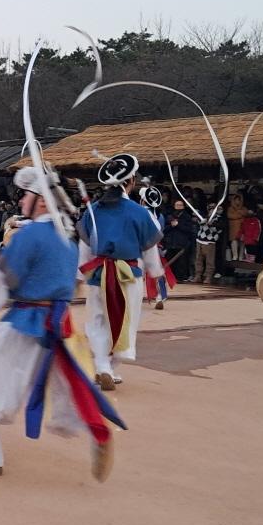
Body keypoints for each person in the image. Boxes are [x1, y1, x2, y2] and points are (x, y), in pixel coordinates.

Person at [0, 166, 123, 481]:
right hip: (57, 322)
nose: (20, 202)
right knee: (65, 384)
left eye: (26, 196)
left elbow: (0, 281)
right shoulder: (68, 238)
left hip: (25, 320)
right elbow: (75, 281)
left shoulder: (29, 235)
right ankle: (97, 430)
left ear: (42, 201)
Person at [77, 154, 164, 391]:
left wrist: (79, 274)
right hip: (128, 275)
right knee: (125, 321)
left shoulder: (93, 211)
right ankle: (110, 367)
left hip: (98, 273)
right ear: (131, 181)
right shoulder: (139, 212)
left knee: (97, 320)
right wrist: (156, 273)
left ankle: (102, 365)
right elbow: (149, 249)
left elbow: (84, 246)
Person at [138, 185, 174, 310]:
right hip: (154, 245)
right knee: (157, 271)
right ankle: (160, 296)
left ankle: (134, 299)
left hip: (139, 246)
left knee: (137, 274)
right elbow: (160, 231)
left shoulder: (138, 212)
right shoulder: (159, 215)